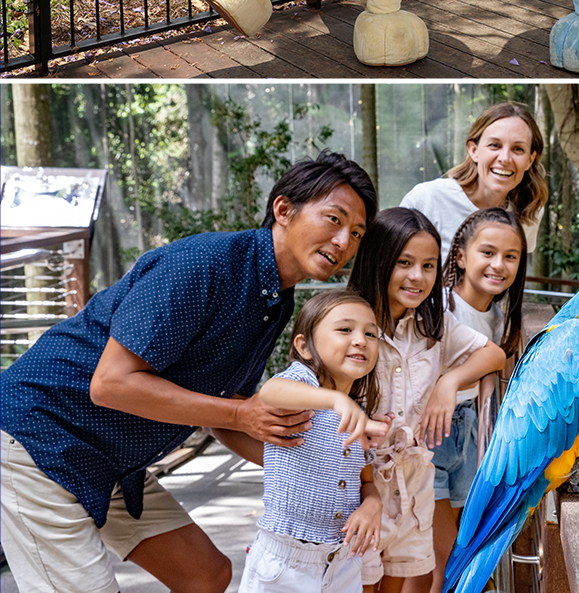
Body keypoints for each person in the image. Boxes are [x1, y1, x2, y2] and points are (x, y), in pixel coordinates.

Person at [0, 152, 377, 593]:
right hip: (40, 437)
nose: (343, 242)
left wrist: (330, 466)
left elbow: (230, 410)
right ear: (283, 209)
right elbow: (110, 384)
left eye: (355, 233)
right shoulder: (203, 264)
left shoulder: (276, 301)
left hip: (111, 460)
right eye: (333, 219)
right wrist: (240, 416)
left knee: (205, 575)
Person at [347, 208, 507, 593]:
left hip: (412, 485)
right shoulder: (348, 319)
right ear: (378, 261)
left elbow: (494, 355)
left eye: (428, 265)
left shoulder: (432, 324)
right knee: (358, 583)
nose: (418, 277)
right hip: (357, 484)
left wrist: (448, 382)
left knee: (397, 582)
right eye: (404, 263)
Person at [244, 290, 392, 593]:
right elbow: (270, 392)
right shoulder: (302, 385)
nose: (360, 340)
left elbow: (365, 480)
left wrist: (372, 503)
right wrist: (335, 401)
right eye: (345, 329)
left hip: (341, 560)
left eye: (371, 334)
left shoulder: (355, 409)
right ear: (304, 346)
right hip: (284, 562)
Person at [429, 208, 529, 592]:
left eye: (510, 257)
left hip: (470, 437)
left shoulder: (500, 318)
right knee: (439, 557)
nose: (498, 265)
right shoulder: (438, 306)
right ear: (460, 256)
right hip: (432, 436)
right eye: (487, 253)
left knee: (459, 551)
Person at [398, 102, 548, 265]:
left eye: (518, 149)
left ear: (530, 160)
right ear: (473, 150)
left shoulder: (530, 210)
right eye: (494, 145)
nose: (505, 158)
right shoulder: (427, 200)